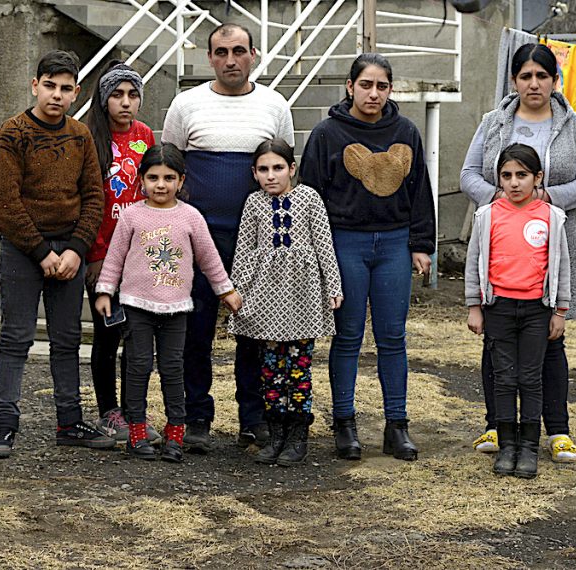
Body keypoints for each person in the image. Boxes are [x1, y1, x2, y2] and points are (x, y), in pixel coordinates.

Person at [460, 42, 576, 463]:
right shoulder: (493, 122)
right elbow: (468, 173)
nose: (534, 83)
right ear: (514, 80)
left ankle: (557, 430)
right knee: (496, 344)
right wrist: (501, 205)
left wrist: (542, 200)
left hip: (550, 246)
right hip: (500, 252)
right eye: (526, 75)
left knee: (551, 343)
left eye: (542, 75)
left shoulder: (575, 125)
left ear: (555, 81)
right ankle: (496, 425)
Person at [161, 23, 295, 453]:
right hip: (198, 240)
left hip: (256, 242)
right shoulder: (186, 105)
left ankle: (253, 418)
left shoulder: (274, 105)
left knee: (254, 329)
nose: (231, 60)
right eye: (221, 52)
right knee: (195, 328)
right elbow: (170, 165)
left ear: (254, 54)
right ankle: (196, 415)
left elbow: (282, 168)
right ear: (210, 57)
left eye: (239, 51)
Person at [300, 53, 436, 462]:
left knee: (393, 337)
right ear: (350, 86)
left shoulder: (406, 131)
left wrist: (421, 244)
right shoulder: (327, 134)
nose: (373, 93)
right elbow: (311, 197)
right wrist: (317, 257)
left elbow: (419, 190)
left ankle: (397, 425)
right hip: (346, 244)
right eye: (366, 85)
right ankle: (344, 423)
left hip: (394, 244)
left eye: (381, 86)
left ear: (390, 90)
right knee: (348, 336)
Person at [0, 50, 113, 458]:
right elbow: (3, 201)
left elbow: (94, 196)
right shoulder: (12, 133)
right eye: (49, 86)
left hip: (69, 248)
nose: (56, 95)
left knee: (67, 338)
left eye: (65, 89)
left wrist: (75, 249)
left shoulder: (80, 136)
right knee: (16, 338)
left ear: (76, 93)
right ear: (35, 85)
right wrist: (41, 252)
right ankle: (4, 426)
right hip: (24, 250)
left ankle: (70, 422)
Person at [94, 144, 243, 462]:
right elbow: (115, 257)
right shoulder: (132, 215)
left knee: (174, 369)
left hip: (176, 309)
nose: (160, 185)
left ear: (181, 180)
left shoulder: (191, 217)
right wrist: (106, 291)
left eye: (169, 178)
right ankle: (136, 433)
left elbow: (209, 259)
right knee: (138, 368)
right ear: (141, 180)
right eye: (153, 177)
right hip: (136, 307)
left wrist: (225, 290)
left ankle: (175, 434)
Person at [228, 138, 343, 466]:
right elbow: (244, 249)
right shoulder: (254, 204)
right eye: (263, 169)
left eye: (278, 167)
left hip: (302, 296)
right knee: (271, 369)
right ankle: (276, 434)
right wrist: (236, 289)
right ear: (254, 173)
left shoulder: (309, 199)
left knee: (298, 369)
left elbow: (324, 245)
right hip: (266, 298)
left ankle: (297, 436)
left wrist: (333, 285)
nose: (271, 175)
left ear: (292, 168)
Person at [465, 143, 570, 479]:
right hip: (499, 310)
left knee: (530, 378)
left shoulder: (552, 217)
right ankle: (507, 444)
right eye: (506, 176)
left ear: (538, 178)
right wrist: (474, 307)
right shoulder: (487, 216)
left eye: (522, 175)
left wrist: (560, 311)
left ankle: (528, 447)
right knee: (504, 379)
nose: (514, 183)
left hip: (537, 311)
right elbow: (473, 264)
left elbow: (563, 266)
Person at [83, 60, 158, 443]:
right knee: (108, 333)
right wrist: (95, 258)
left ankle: (134, 410)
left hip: (140, 256)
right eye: (117, 95)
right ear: (103, 99)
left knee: (137, 335)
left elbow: (158, 189)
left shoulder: (145, 136)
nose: (125, 103)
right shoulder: (89, 137)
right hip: (103, 258)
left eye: (132, 95)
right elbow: (90, 203)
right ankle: (108, 411)